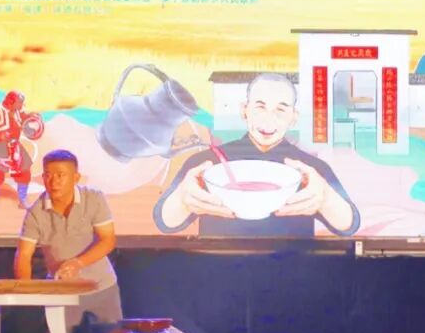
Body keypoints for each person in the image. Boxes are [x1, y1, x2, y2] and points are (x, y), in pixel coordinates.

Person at [153, 72, 360, 237]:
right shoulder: (205, 163)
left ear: (294, 117)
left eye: (281, 109)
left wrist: (325, 198)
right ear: (245, 110)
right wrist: (182, 199)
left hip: (293, 270)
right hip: (217, 268)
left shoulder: (310, 169)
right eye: (260, 107)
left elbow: (349, 225)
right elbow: (165, 221)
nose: (268, 119)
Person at [13, 149, 121, 333]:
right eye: (48, 175)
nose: (54, 181)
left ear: (76, 177)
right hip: (61, 293)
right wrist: (25, 291)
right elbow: (24, 256)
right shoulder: (36, 211)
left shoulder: (94, 198)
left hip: (102, 287)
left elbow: (108, 240)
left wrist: (77, 263)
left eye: (60, 175)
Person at [0, 90, 34, 210]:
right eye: (19, 102)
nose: (21, 105)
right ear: (10, 102)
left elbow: (26, 123)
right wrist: (0, 136)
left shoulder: (18, 112)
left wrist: (33, 118)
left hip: (15, 146)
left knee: (24, 170)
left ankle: (22, 200)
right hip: (0, 146)